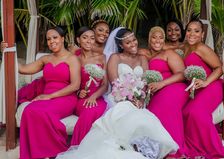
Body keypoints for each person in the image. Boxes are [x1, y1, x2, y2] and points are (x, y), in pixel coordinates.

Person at [56, 28, 178, 159]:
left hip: (138, 99)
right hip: (118, 97)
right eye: (128, 42)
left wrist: (141, 99)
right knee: (126, 112)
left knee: (144, 115)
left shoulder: (142, 58)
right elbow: (115, 83)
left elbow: (144, 82)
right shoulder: (115, 57)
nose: (133, 44)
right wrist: (128, 98)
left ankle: (147, 149)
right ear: (121, 45)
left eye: (134, 40)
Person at [13, 26, 80, 159]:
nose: (51, 41)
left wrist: (50, 96)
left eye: (55, 37)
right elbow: (23, 69)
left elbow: (75, 85)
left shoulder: (72, 59)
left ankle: (55, 151)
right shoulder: (46, 59)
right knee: (29, 109)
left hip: (65, 97)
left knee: (41, 111)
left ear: (62, 38)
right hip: (47, 97)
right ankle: (37, 154)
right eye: (49, 39)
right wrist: (8, 52)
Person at [183, 19, 224, 158]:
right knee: (186, 111)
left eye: (196, 31)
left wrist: (206, 82)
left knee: (196, 112)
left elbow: (219, 68)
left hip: (212, 85)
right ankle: (196, 144)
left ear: (202, 34)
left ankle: (211, 147)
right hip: (198, 88)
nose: (192, 34)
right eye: (189, 30)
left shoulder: (202, 48)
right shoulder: (186, 47)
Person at [146, 26, 189, 158]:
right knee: (151, 110)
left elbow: (182, 74)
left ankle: (173, 148)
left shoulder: (169, 54)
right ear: (149, 39)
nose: (157, 40)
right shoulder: (144, 55)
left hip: (174, 86)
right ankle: (157, 148)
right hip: (156, 91)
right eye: (154, 37)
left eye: (161, 37)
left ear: (164, 40)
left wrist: (162, 84)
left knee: (166, 105)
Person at [70, 26, 108, 145]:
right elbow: (69, 82)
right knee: (88, 110)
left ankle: (85, 147)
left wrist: (94, 96)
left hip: (97, 97)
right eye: (85, 38)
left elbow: (105, 84)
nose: (89, 41)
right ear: (78, 40)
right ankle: (79, 147)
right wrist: (78, 92)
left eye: (92, 38)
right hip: (81, 99)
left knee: (92, 110)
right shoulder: (74, 59)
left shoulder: (102, 57)